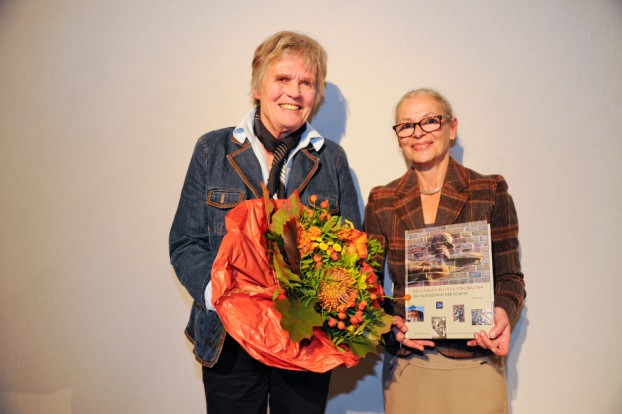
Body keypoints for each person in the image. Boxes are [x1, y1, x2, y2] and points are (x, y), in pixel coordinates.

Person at [169, 31, 360, 414]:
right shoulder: (212, 149)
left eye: (307, 82)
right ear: (258, 87)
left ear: (315, 95)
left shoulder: (333, 160)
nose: (295, 91)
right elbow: (186, 243)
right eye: (283, 79)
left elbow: (352, 253)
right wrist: (221, 297)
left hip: (306, 340)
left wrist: (321, 306)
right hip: (229, 340)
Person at [364, 88, 525, 414]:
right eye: (406, 125)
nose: (418, 133)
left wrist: (502, 312)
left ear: (452, 128)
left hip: (475, 359)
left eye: (430, 121)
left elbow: (510, 278)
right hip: (409, 366)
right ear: (398, 137)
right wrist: (388, 325)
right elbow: (367, 286)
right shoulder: (382, 199)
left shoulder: (489, 190)